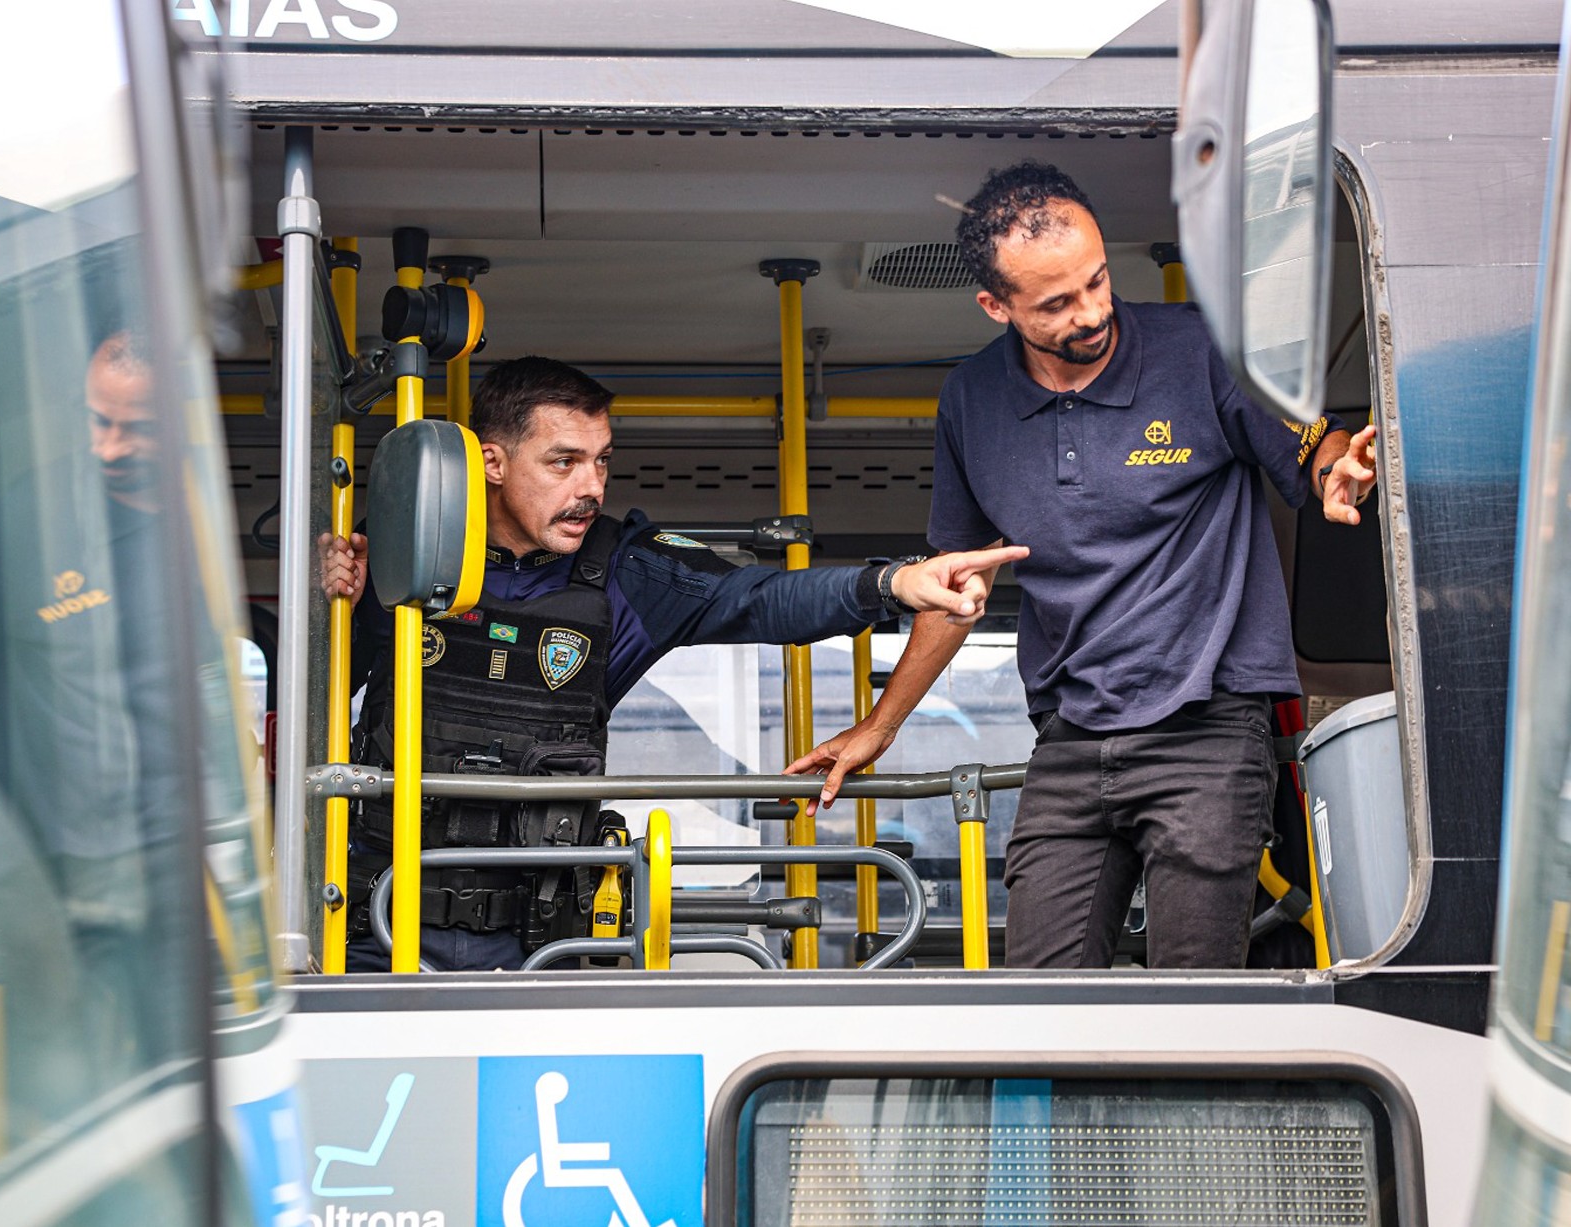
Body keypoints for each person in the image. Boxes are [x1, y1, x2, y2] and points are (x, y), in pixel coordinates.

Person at [786, 162, 1379, 970]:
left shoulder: (1202, 349)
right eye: (1058, 303)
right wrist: (878, 728)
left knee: (1197, 1006)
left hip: (1204, 729)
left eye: (1098, 281)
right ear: (996, 306)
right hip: (1069, 739)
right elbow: (955, 583)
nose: (1093, 311)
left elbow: (1315, 443)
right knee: (1039, 999)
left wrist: (1336, 468)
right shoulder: (970, 400)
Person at [320, 355, 1026, 971]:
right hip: (378, 927)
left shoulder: (625, 572)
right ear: (493, 463)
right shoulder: (402, 554)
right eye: (563, 462)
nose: (590, 486)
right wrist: (329, 605)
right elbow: (313, 707)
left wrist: (890, 585)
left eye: (601, 460)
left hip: (542, 943)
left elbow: (762, 599)